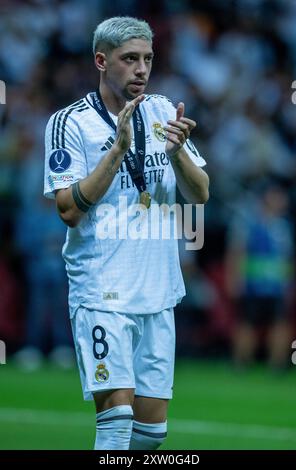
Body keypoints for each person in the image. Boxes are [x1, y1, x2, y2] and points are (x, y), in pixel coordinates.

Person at [43, 16, 209, 450]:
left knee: (150, 437)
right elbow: (68, 211)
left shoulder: (162, 111)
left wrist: (177, 157)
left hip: (158, 291)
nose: (141, 69)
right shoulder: (69, 123)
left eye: (148, 59)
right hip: (102, 291)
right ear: (101, 60)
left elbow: (201, 195)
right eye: (129, 59)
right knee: (116, 423)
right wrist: (116, 151)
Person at [225, 181, 296, 370]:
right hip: (252, 284)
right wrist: (234, 278)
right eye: (277, 196)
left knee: (280, 324)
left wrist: (289, 283)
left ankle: (277, 366)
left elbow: (288, 257)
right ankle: (241, 364)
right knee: (246, 324)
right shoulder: (248, 223)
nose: (281, 200)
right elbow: (237, 252)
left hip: (276, 285)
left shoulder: (284, 226)